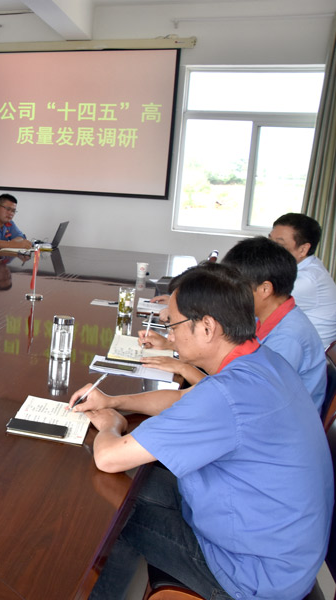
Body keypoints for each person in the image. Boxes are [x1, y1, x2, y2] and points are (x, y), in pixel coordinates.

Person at [70, 263, 332, 600]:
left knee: (112, 517)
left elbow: (109, 457)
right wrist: (115, 401)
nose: (170, 335)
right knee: (135, 487)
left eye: (174, 324)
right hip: (281, 547)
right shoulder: (262, 361)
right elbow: (183, 399)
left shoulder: (227, 395)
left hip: (252, 574)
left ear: (207, 327)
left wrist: (111, 424)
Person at [221, 236, 327, 412]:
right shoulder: (266, 317)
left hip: (283, 419)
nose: (230, 295)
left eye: (235, 288)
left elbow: (253, 399)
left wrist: (190, 373)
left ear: (265, 289)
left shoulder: (287, 337)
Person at [270, 213, 336, 347]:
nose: (268, 249)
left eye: (279, 245)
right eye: (269, 241)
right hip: (293, 340)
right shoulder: (302, 266)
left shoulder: (306, 280)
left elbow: (253, 304)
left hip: (306, 352)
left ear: (303, 249)